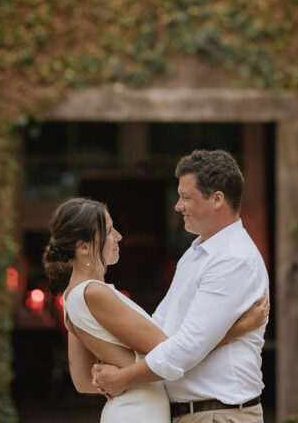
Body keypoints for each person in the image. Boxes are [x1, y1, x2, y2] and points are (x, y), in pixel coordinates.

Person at [44, 197, 268, 422]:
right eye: (110, 231)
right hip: (139, 411)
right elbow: (173, 349)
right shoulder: (95, 293)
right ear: (83, 247)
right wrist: (239, 329)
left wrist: (118, 376)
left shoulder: (71, 297)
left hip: (131, 409)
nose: (118, 236)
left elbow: (84, 381)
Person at [92, 150, 269, 422]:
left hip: (218, 415)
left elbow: (188, 346)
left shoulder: (233, 259)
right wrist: (235, 330)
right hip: (192, 413)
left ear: (217, 199)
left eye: (186, 197)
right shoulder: (196, 253)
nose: (177, 206)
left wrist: (123, 378)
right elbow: (160, 331)